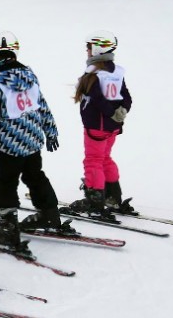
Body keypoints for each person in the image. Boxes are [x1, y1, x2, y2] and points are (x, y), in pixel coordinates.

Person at [0, 31, 72, 253]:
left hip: (10, 144)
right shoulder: (29, 74)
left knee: (6, 182)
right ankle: (50, 215)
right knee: (35, 176)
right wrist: (50, 130)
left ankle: (7, 231)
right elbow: (42, 104)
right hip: (33, 139)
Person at [68, 30, 134, 217]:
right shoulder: (116, 72)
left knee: (93, 161)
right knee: (105, 158)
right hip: (112, 128)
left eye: (89, 47)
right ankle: (113, 196)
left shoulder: (94, 73)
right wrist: (122, 110)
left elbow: (96, 99)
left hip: (97, 127)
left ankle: (94, 200)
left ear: (98, 48)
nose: (87, 51)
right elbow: (126, 96)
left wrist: (113, 112)